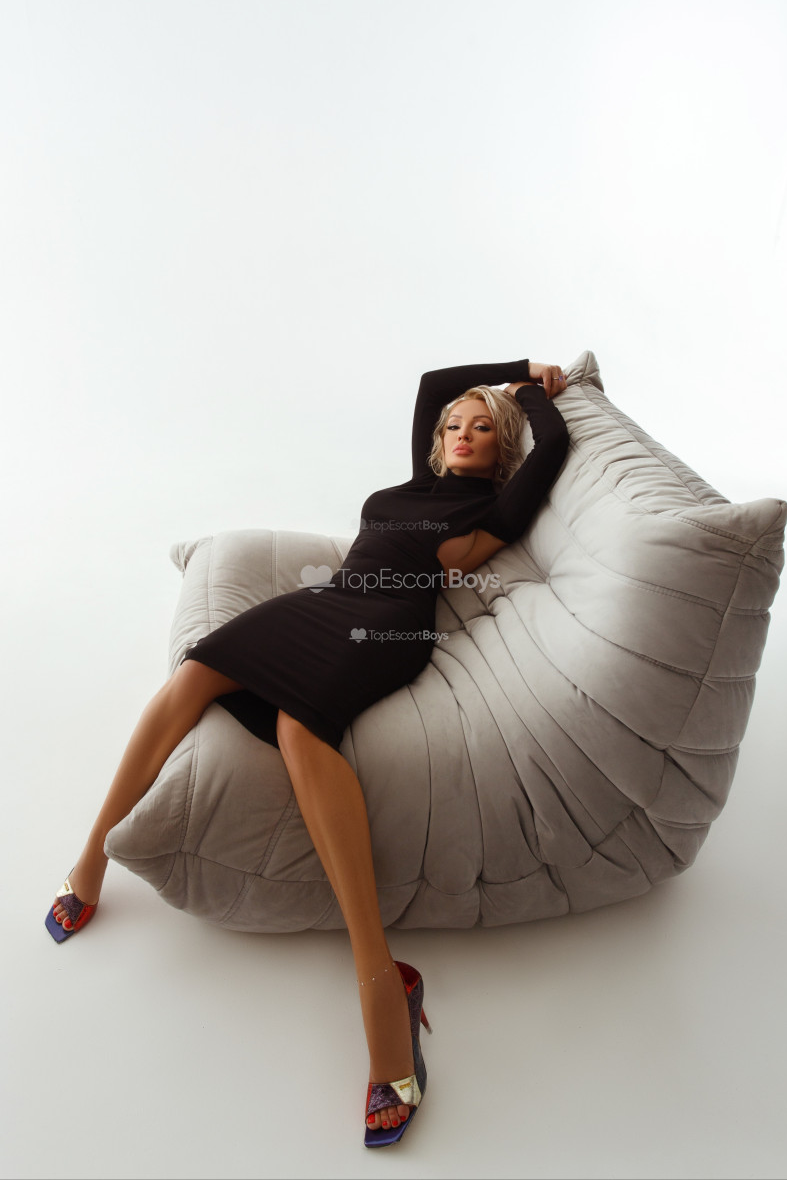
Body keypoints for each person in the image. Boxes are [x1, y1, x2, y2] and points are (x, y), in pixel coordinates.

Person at [46, 356, 570, 1146]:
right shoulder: (412, 483)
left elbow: (553, 445)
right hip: (327, 601)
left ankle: (382, 985)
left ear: (501, 449)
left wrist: (531, 390)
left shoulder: (493, 506)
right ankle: (92, 856)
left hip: (388, 627)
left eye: (482, 429)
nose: (463, 433)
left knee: (299, 728)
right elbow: (432, 384)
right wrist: (513, 363)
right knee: (194, 674)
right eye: (455, 427)